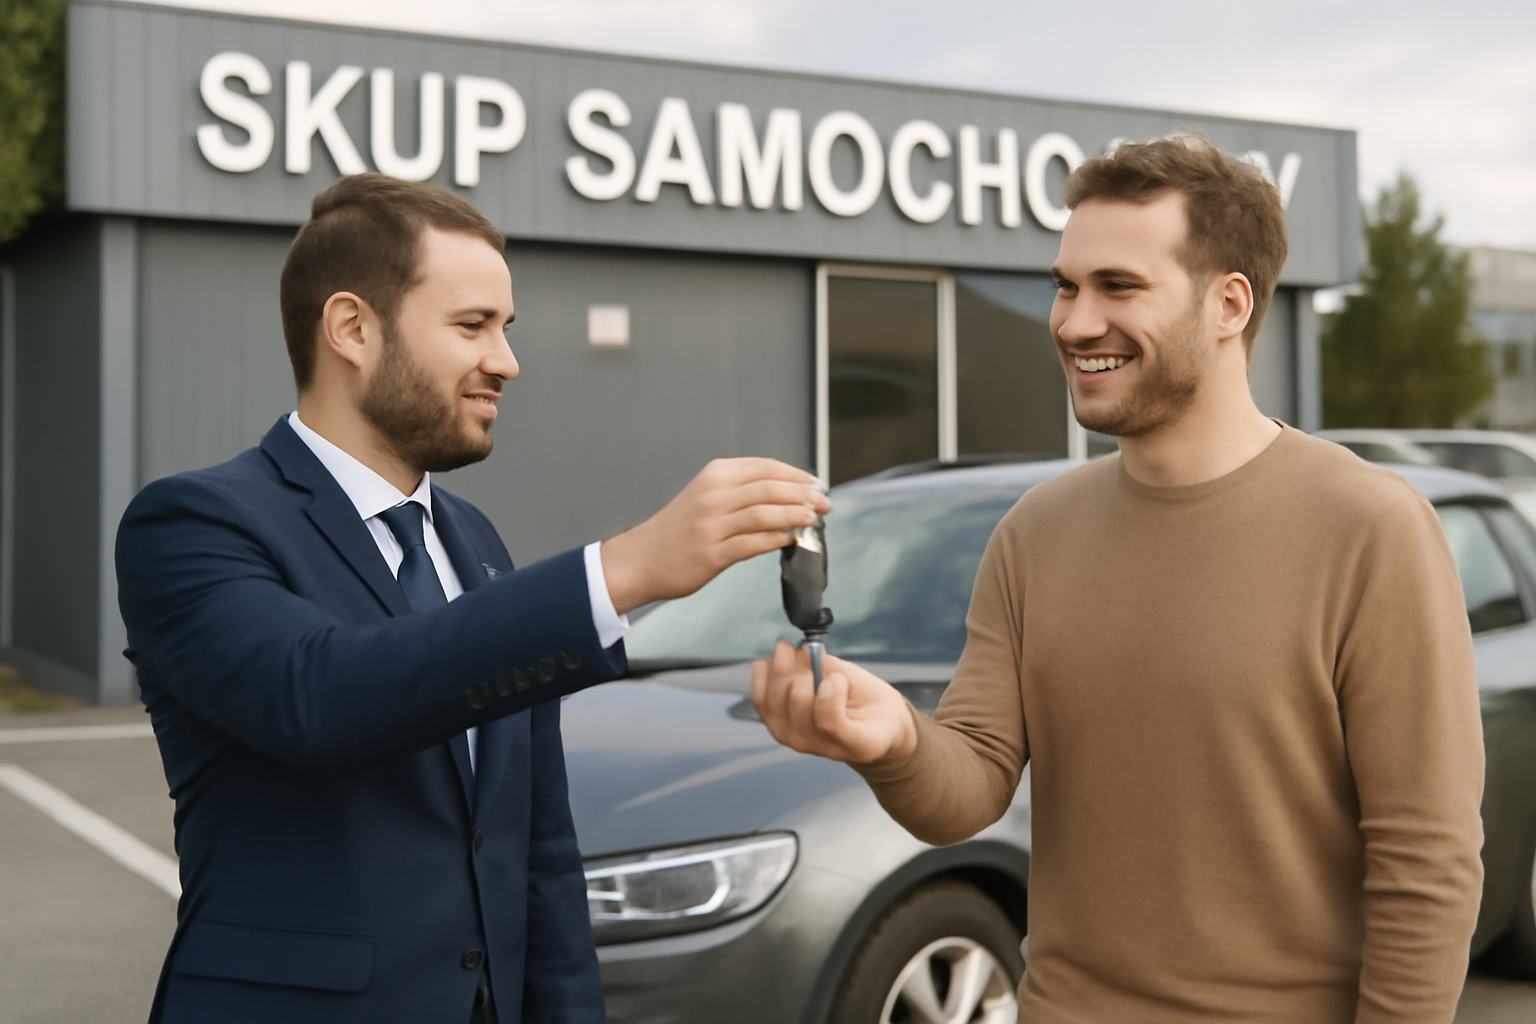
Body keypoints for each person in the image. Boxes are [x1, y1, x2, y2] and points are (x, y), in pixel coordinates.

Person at [752, 137, 1484, 1023]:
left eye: (1118, 287)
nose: (1072, 322)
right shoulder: (1034, 534)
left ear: (1229, 303)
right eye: (1066, 286)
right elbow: (973, 787)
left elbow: (1426, 862)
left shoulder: (1370, 528)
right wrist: (895, 742)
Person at [116, 173, 830, 1024]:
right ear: (352, 328)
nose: (507, 361)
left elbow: (540, 853)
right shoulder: (192, 523)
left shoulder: (478, 543)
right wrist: (623, 570)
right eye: (471, 326)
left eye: (506, 327)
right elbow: (319, 696)